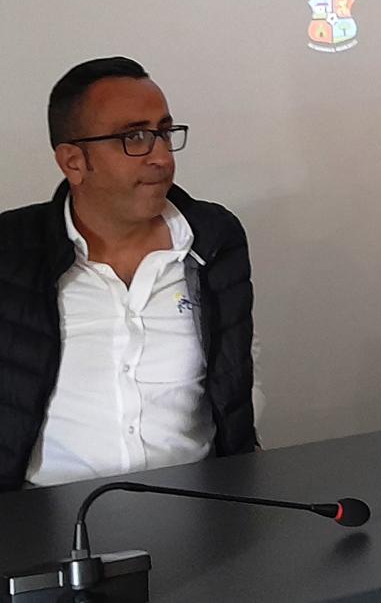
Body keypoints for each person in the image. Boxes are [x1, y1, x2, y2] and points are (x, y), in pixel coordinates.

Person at [0, 57, 260, 491]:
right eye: (133, 137)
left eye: (163, 132)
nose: (160, 157)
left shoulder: (213, 239)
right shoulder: (11, 251)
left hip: (199, 506)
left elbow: (237, 369)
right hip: (45, 522)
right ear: (73, 161)